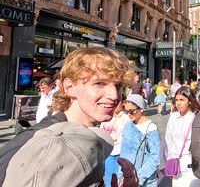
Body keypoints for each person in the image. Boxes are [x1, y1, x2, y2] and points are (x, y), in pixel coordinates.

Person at [0, 47, 139, 186]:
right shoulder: (43, 143)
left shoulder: (80, 135)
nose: (114, 95)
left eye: (118, 85)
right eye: (99, 83)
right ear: (69, 87)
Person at [165, 86, 200, 187]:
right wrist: (168, 162)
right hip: (175, 167)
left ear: (190, 101)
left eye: (182, 100)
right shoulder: (173, 117)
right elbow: (168, 141)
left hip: (191, 168)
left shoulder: (196, 118)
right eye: (176, 100)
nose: (178, 103)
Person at [120, 94, 160, 186]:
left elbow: (155, 158)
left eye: (132, 111)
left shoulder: (151, 128)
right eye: (126, 111)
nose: (129, 114)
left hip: (146, 180)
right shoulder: (127, 126)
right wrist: (121, 175)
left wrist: (137, 177)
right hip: (126, 177)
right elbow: (124, 153)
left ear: (141, 108)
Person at [101, 94, 131, 186]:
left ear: (123, 103)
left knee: (120, 177)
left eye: (117, 103)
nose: (114, 105)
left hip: (121, 152)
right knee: (109, 177)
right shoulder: (106, 116)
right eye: (113, 103)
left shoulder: (126, 118)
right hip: (108, 153)